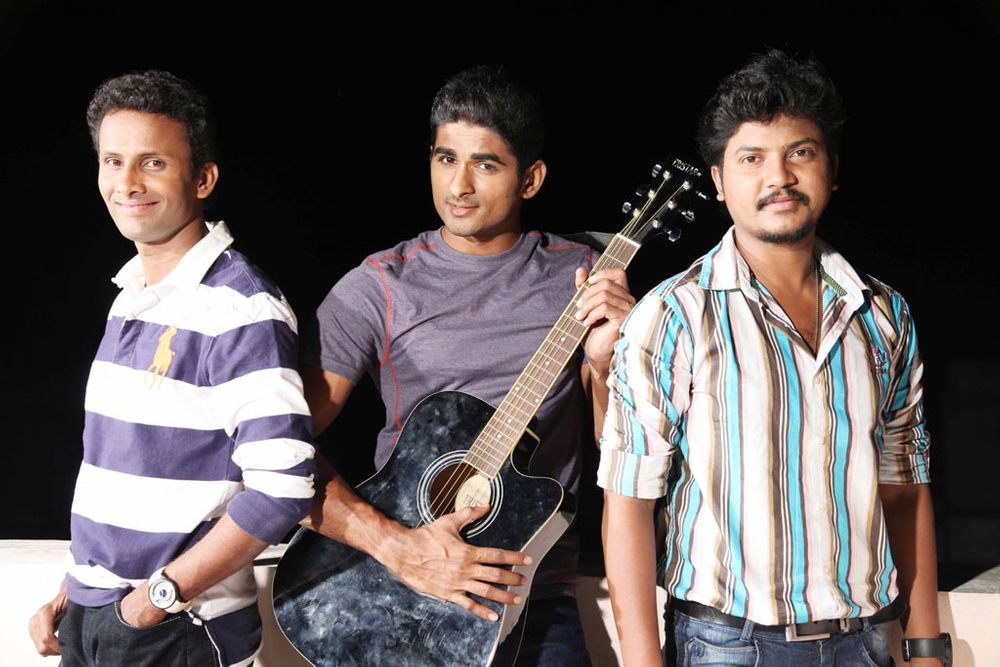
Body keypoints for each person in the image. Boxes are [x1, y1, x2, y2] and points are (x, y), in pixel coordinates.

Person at [599, 49, 946, 666]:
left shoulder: (884, 314)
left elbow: (905, 486)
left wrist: (926, 648)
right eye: (751, 158)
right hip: (727, 646)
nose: (778, 177)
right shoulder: (673, 316)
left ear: (831, 170)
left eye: (800, 153)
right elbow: (628, 505)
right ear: (718, 181)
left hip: (867, 643)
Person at [297, 64, 635, 664]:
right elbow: (274, 449)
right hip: (395, 590)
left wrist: (609, 365)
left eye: (485, 164)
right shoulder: (380, 285)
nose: (459, 185)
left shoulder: (583, 276)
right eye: (445, 158)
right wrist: (398, 548)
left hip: (534, 592)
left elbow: (622, 451)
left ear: (530, 179)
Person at [27, 70, 317, 666]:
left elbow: (283, 488)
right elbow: (122, 476)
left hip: (176, 628)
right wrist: (76, 587)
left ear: (203, 178)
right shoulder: (131, 295)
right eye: (113, 161)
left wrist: (154, 601)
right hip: (93, 613)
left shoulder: (240, 307)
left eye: (152, 163)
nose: (127, 183)